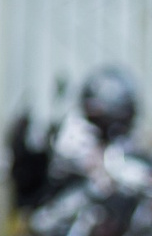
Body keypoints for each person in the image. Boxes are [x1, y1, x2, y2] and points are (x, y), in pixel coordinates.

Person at [47, 65, 146, 196]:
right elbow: (69, 155)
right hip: (69, 201)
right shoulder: (75, 131)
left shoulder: (121, 139)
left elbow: (130, 161)